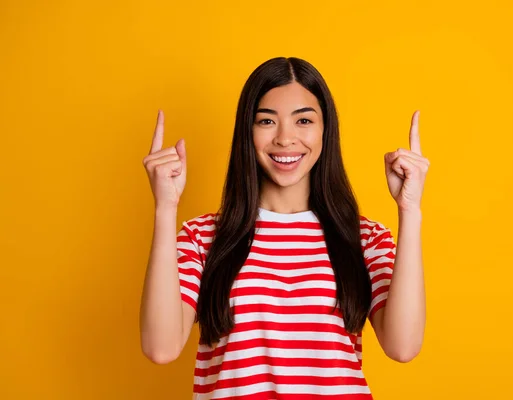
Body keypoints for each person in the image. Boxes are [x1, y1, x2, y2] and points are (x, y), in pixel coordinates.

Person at [139, 57, 429, 399]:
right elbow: (161, 348)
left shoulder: (363, 238)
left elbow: (403, 346)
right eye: (266, 121)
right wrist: (165, 207)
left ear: (326, 130)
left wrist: (409, 210)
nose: (285, 138)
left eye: (303, 120)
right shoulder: (202, 237)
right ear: (247, 132)